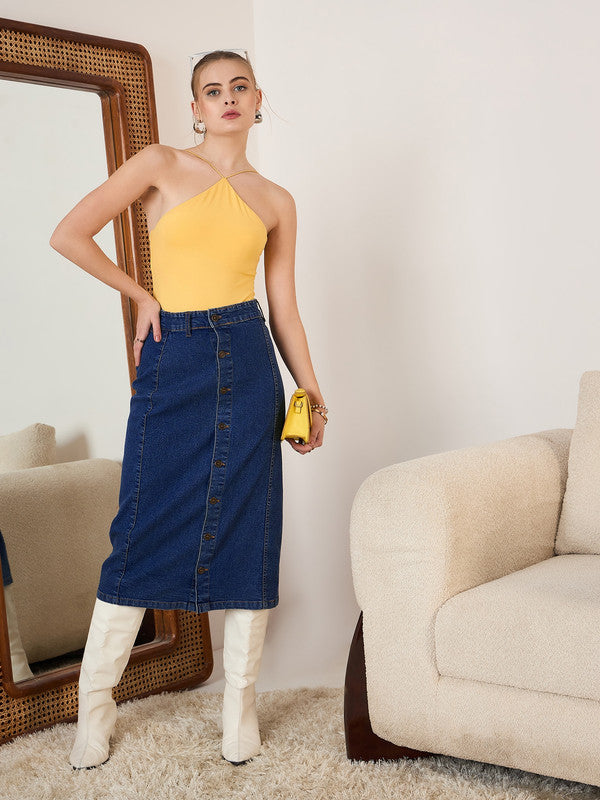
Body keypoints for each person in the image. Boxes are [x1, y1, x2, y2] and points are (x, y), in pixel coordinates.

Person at [49, 49, 328, 769]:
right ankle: (94, 707)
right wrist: (140, 295)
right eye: (212, 90)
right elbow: (69, 234)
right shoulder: (161, 164)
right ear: (196, 107)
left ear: (257, 98)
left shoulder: (276, 200)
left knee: (251, 526)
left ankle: (239, 708)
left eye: (239, 87)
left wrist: (309, 392)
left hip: (249, 355)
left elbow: (285, 308)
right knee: (140, 526)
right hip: (174, 355)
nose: (227, 98)